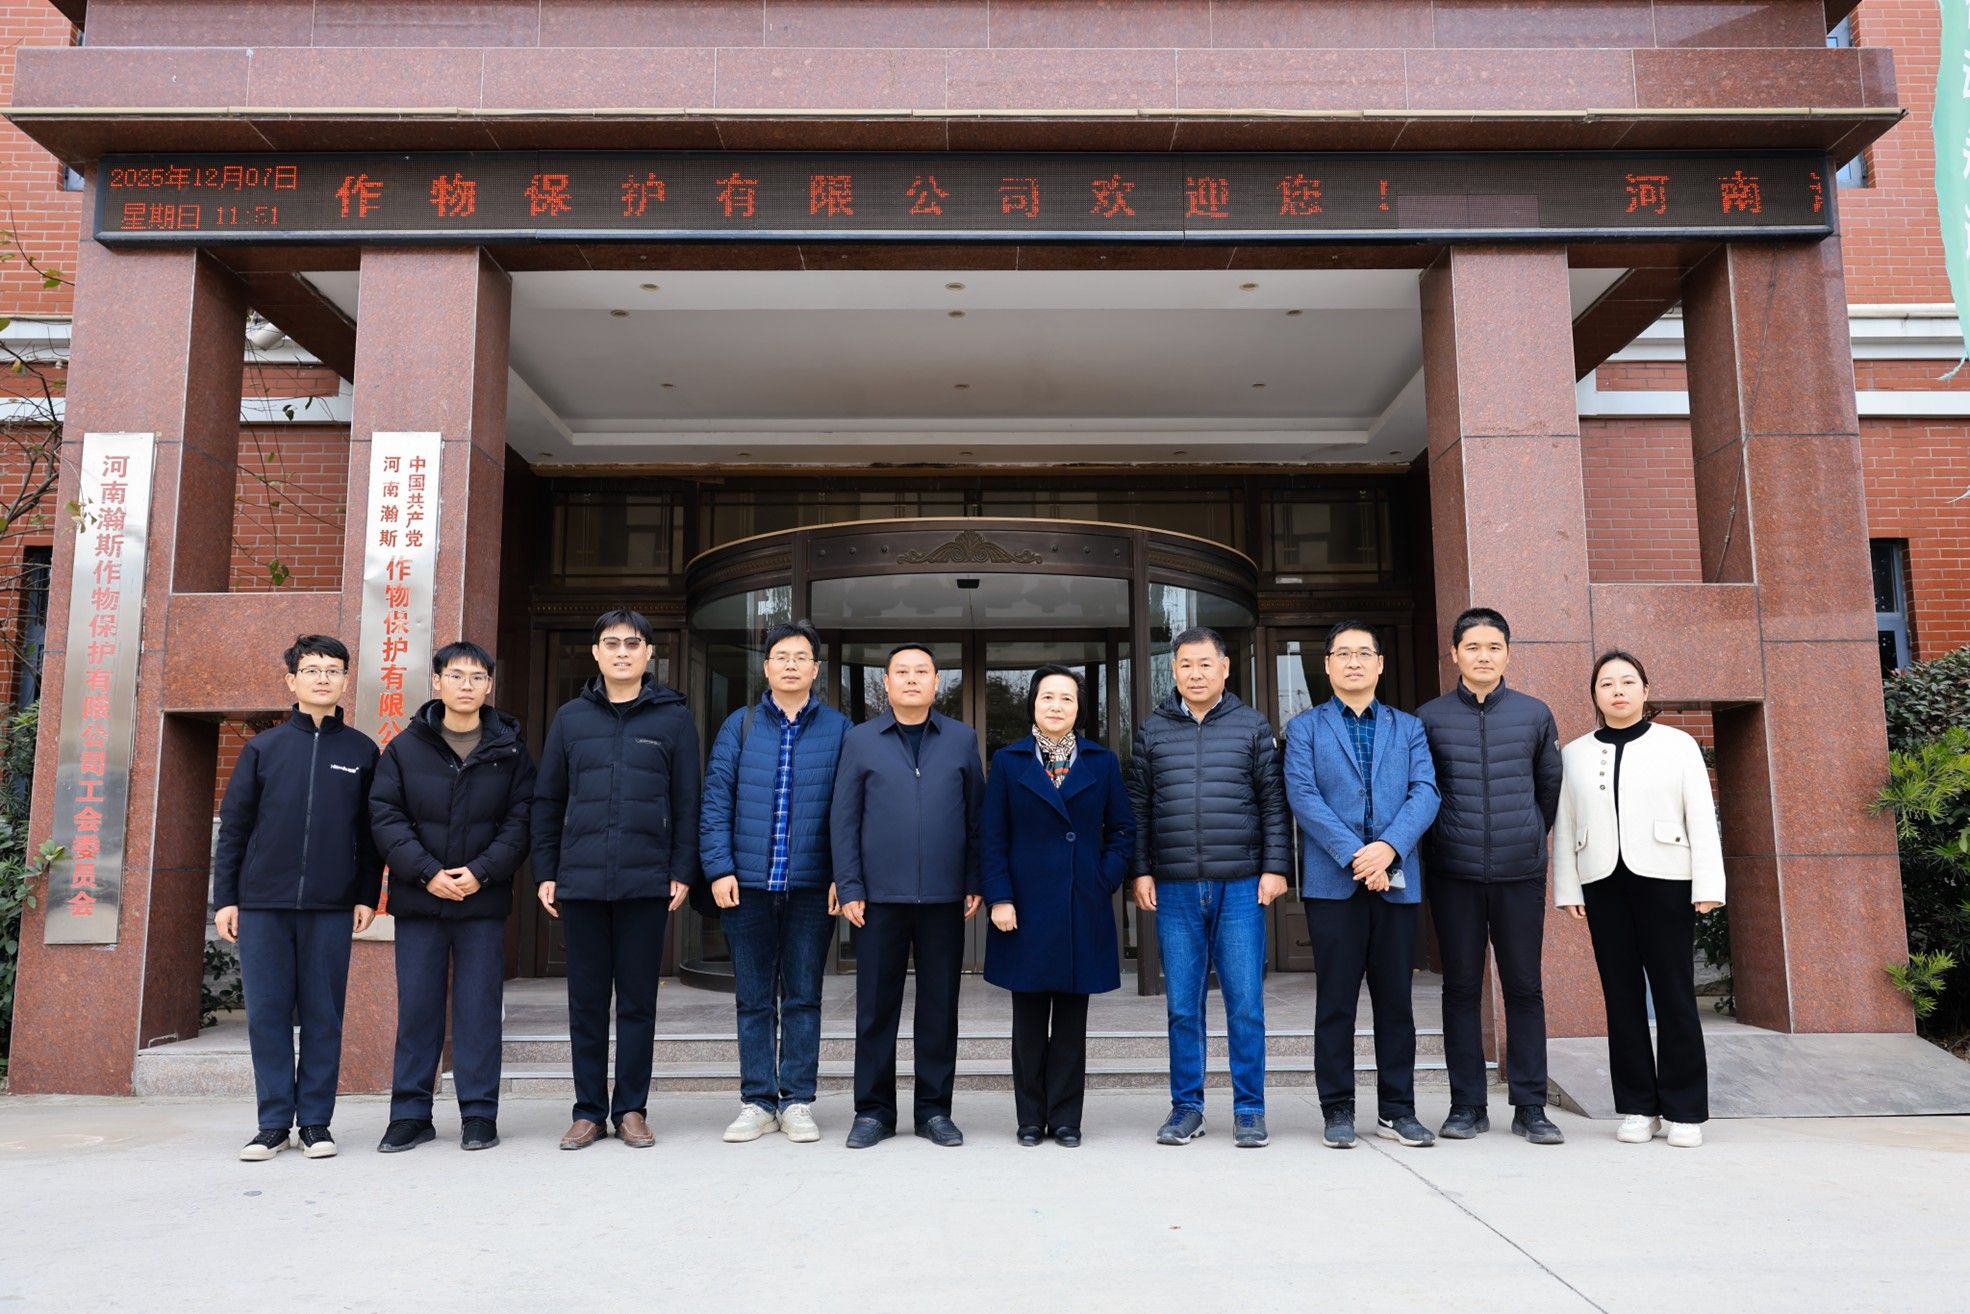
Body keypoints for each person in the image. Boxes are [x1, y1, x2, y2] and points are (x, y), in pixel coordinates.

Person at [532, 609, 700, 1151]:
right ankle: (587, 1111)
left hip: (646, 882)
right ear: (596, 653)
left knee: (637, 1002)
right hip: (581, 881)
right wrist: (546, 870)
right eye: (612, 643)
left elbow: (688, 802)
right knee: (585, 1002)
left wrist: (682, 869)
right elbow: (547, 799)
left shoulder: (674, 719)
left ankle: (631, 1108)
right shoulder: (570, 719)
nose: (622, 652)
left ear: (649, 653)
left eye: (632, 644)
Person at [212, 634, 382, 1162]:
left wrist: (366, 894)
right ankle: (271, 1124)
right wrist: (226, 899)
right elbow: (235, 827)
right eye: (312, 670)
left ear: (346, 680)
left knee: (323, 1016)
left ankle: (314, 1122)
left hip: (331, 906)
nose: (323, 678)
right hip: (263, 904)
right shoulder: (264, 749)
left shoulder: (361, 751)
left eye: (333, 670)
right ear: (292, 680)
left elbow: (370, 833)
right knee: (266, 1014)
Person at [1552, 650, 1724, 1149]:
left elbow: (1700, 815)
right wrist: (1568, 887)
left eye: (1628, 682)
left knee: (1674, 995)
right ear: (1595, 695)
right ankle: (1636, 1107)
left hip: (1667, 879)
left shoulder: (1678, 744)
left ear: (1646, 691)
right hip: (1602, 882)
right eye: (1607, 683)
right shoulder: (1575, 753)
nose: (1618, 690)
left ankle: (1685, 1111)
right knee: (1621, 997)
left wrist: (1708, 885)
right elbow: (1566, 822)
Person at [369, 641, 535, 1154]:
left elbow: (521, 821)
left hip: (481, 902)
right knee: (417, 1009)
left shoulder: (510, 750)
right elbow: (385, 817)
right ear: (437, 682)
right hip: (420, 902)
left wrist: (481, 873)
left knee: (479, 1010)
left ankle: (479, 1114)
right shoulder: (405, 748)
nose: (467, 685)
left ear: (490, 686)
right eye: (457, 676)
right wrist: (427, 873)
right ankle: (410, 1114)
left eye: (477, 677)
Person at [1128, 626, 1291, 1150]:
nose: (1195, 674)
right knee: (1182, 1005)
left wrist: (1275, 867)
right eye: (1185, 665)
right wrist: (1140, 870)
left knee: (1244, 1003)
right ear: (1173, 670)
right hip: (1175, 886)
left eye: (1205, 664)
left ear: (1224, 668)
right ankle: (1187, 1108)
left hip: (1241, 885)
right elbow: (1138, 809)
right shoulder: (1152, 730)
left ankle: (1250, 1110)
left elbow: (1273, 803)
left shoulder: (1252, 725)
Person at [1283, 621, 1441, 1151]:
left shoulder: (1408, 727)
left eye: (1363, 653)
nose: (1354, 662)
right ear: (1327, 665)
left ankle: (1398, 1110)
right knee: (1336, 1003)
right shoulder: (1305, 728)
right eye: (1343, 654)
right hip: (1334, 884)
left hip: (1397, 882)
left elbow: (1425, 792)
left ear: (1380, 664)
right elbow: (1303, 796)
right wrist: (1358, 854)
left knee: (1397, 1003)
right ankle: (1337, 1109)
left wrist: (1389, 847)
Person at [1416, 607, 1566, 1146]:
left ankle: (1531, 1106)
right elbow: (1421, 791)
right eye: (1473, 647)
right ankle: (1466, 1105)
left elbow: (1549, 789)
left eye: (1494, 647)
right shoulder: (1429, 718)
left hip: (1519, 873)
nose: (1484, 656)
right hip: (1453, 872)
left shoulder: (1534, 714)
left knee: (1524, 986)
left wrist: (1525, 835)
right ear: (1455, 654)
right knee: (1460, 987)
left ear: (1507, 654)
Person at [699, 619, 850, 1146]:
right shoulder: (739, 725)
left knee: (805, 995)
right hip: (747, 886)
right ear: (766, 667)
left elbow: (849, 811)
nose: (790, 664)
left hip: (811, 887)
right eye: (781, 656)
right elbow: (715, 801)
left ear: (815, 669)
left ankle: (798, 1100)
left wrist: (843, 876)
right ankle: (759, 1101)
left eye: (800, 657)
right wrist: (719, 868)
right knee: (754, 998)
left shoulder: (840, 730)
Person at [831, 642, 984, 1149]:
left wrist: (974, 880)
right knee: (875, 1009)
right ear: (887, 683)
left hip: (944, 898)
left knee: (939, 1008)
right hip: (877, 899)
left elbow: (976, 817)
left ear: (937, 682)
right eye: (902, 671)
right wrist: (850, 885)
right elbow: (844, 819)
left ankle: (934, 1111)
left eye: (922, 671)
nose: (912, 679)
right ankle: (873, 1112)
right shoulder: (860, 740)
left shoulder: (961, 739)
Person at [980, 665, 1135, 1147]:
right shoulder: (1008, 761)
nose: (1056, 706)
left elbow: (1123, 830)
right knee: (1027, 1021)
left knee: (1071, 1020)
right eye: (1047, 696)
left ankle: (1066, 1118)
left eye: (1067, 698)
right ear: (1033, 704)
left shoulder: (1101, 761)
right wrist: (1000, 897)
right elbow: (991, 837)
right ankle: (1030, 1118)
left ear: (1078, 708)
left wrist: (1102, 879)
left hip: (1081, 905)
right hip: (1023, 909)